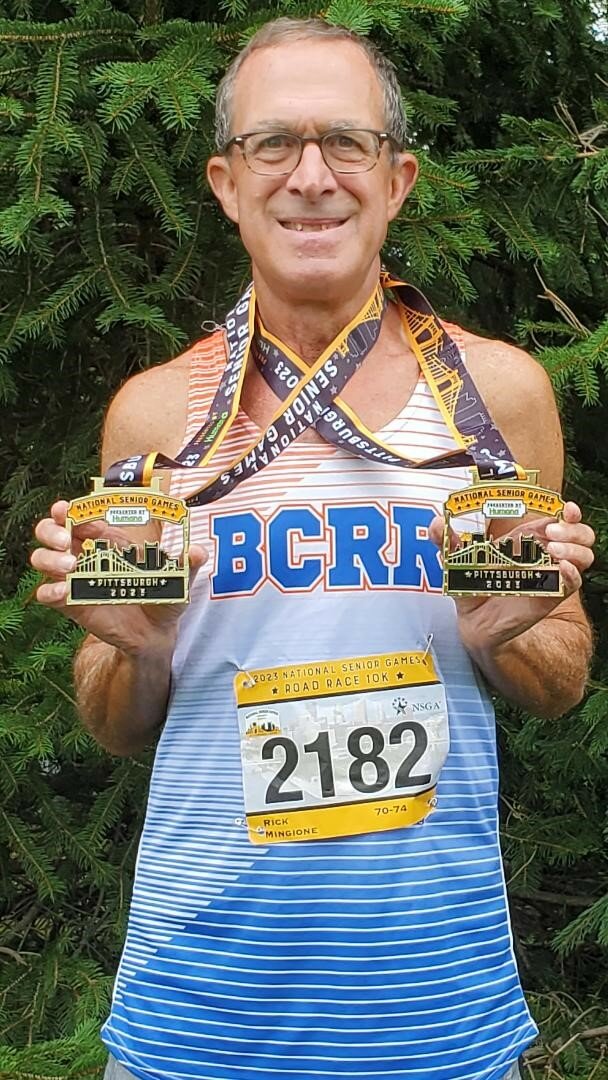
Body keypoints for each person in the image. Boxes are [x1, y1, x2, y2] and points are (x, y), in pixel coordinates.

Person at [32, 17, 595, 1080]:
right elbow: (114, 725)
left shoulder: (496, 398)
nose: (310, 177)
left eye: (345, 143)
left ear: (396, 179)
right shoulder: (157, 417)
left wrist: (503, 638)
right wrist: (135, 649)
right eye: (271, 145)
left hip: (438, 1012)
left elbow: (559, 680)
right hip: (193, 1013)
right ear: (224, 182)